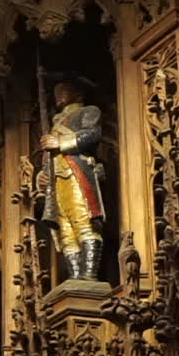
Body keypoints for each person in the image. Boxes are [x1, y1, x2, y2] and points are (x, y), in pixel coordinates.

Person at [38, 74, 106, 282]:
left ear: (77, 92)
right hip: (57, 181)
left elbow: (91, 135)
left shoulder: (88, 112)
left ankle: (90, 274)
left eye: (63, 90)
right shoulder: (55, 123)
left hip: (76, 173)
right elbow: (48, 160)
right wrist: (42, 176)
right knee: (65, 231)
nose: (58, 95)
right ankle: (76, 276)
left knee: (83, 222)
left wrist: (60, 143)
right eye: (56, 92)